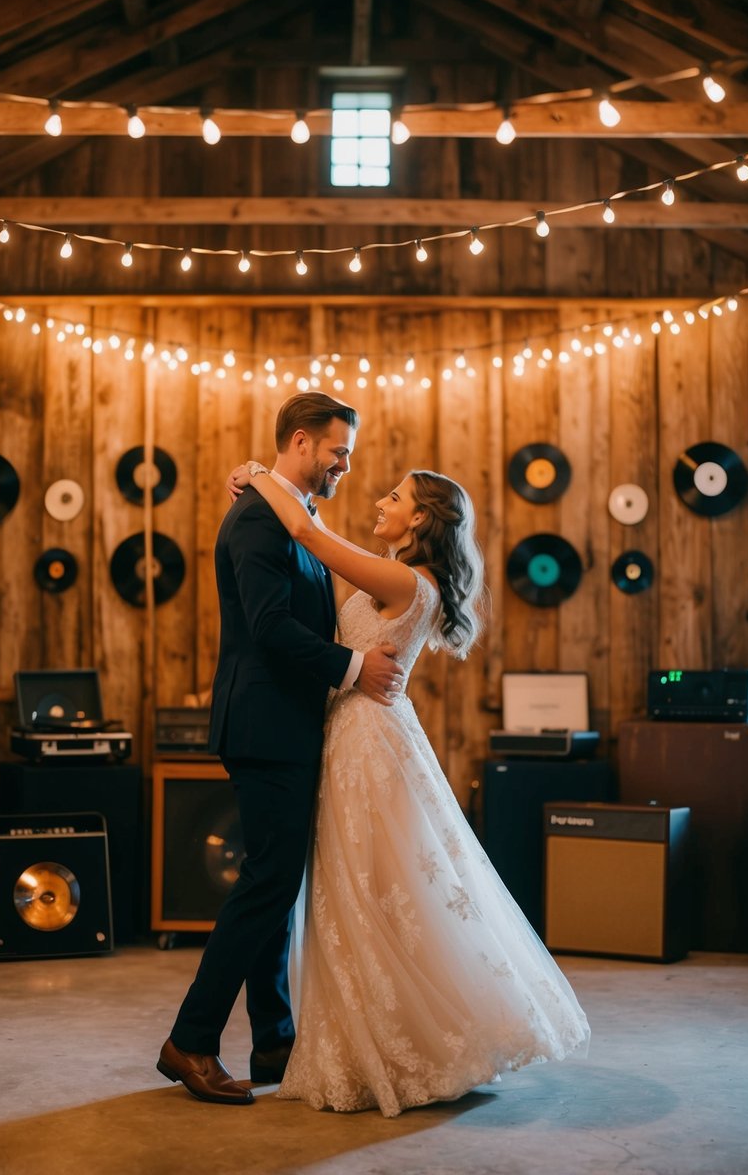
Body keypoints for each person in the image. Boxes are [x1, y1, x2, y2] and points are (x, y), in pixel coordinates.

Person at [226, 461, 590, 1118]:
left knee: (372, 888)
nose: (379, 499)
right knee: (360, 888)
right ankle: (373, 1035)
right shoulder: (399, 573)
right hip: (353, 732)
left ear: (419, 519)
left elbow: (310, 538)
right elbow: (320, 538)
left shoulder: (402, 579)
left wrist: (261, 477)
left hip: (366, 740)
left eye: (393, 497)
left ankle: (403, 1043)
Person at [157, 393, 403, 1106]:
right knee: (267, 883)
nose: (346, 466)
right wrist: (355, 669)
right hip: (264, 727)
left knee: (275, 884)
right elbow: (267, 629)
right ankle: (191, 1041)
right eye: (338, 451)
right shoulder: (260, 520)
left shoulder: (284, 509)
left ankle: (273, 1040)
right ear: (301, 442)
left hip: (284, 726)